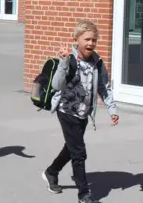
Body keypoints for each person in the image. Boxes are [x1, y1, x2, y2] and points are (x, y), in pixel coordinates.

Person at [41, 20, 119, 203]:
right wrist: (63, 63)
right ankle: (84, 195)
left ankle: (51, 172)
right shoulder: (70, 59)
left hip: (83, 114)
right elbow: (56, 85)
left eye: (94, 40)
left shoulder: (97, 62)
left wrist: (112, 108)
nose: (91, 43)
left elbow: (104, 87)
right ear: (76, 40)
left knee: (71, 148)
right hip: (66, 111)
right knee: (79, 153)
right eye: (87, 39)